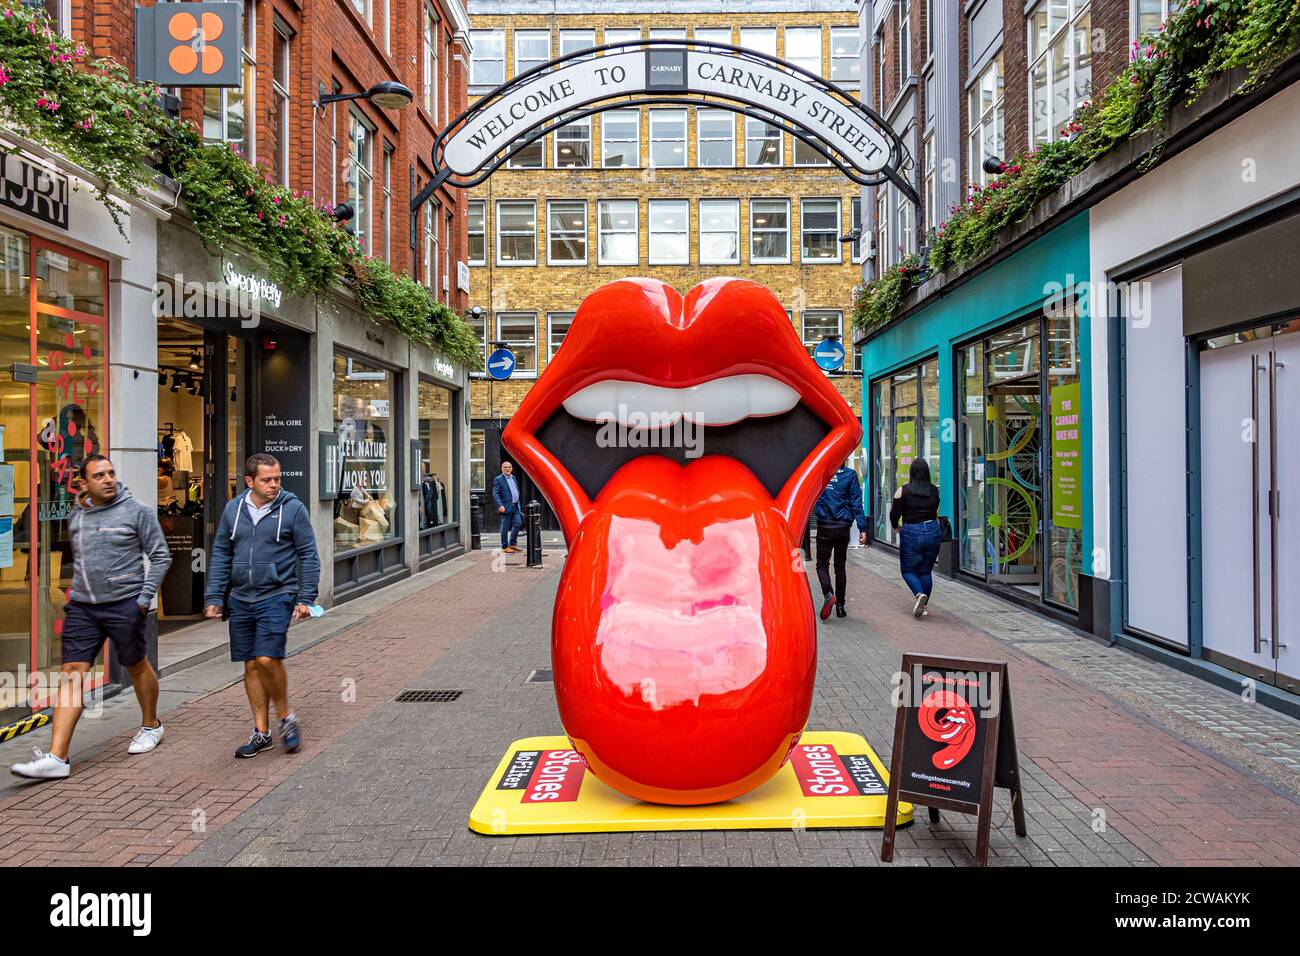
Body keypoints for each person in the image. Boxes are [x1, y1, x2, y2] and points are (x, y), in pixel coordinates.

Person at [11, 456, 171, 781]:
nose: (109, 479)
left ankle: (151, 725)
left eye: (111, 473)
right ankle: (58, 757)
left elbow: (160, 556)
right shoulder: (77, 516)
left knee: (136, 665)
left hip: (125, 605)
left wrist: (142, 599)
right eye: (100, 475)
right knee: (72, 673)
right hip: (83, 608)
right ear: (84, 484)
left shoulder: (137, 512)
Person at [203, 453, 319, 758]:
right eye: (267, 479)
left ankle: (287, 719)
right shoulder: (233, 510)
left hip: (277, 594)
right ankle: (261, 732)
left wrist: (306, 597)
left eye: (277, 478)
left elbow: (308, 554)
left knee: (267, 659)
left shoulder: (293, 509)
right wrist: (215, 596)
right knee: (251, 664)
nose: (274, 485)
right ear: (250, 481)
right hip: (241, 597)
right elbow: (222, 555)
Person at [813, 461, 869, 620]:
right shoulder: (850, 475)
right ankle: (840, 607)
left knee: (822, 564)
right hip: (843, 526)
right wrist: (862, 528)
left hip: (825, 525)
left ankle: (828, 593)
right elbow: (856, 502)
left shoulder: (822, 473)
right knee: (840, 566)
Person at [891, 459, 942, 618]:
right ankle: (924, 606)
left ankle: (919, 594)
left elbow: (894, 514)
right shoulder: (934, 491)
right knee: (926, 571)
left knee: (908, 570)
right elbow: (934, 510)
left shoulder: (903, 491)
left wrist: (896, 527)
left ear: (912, 473)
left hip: (912, 531)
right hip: (933, 530)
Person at [492, 461, 523, 554]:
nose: (507, 469)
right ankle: (505, 546)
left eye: (509, 467)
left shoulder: (513, 477)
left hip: (515, 506)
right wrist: (500, 505)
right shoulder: (498, 479)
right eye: (505, 467)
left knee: (518, 523)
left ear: (511, 468)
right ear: (502, 468)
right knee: (505, 527)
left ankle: (512, 544)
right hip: (505, 507)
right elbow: (495, 494)